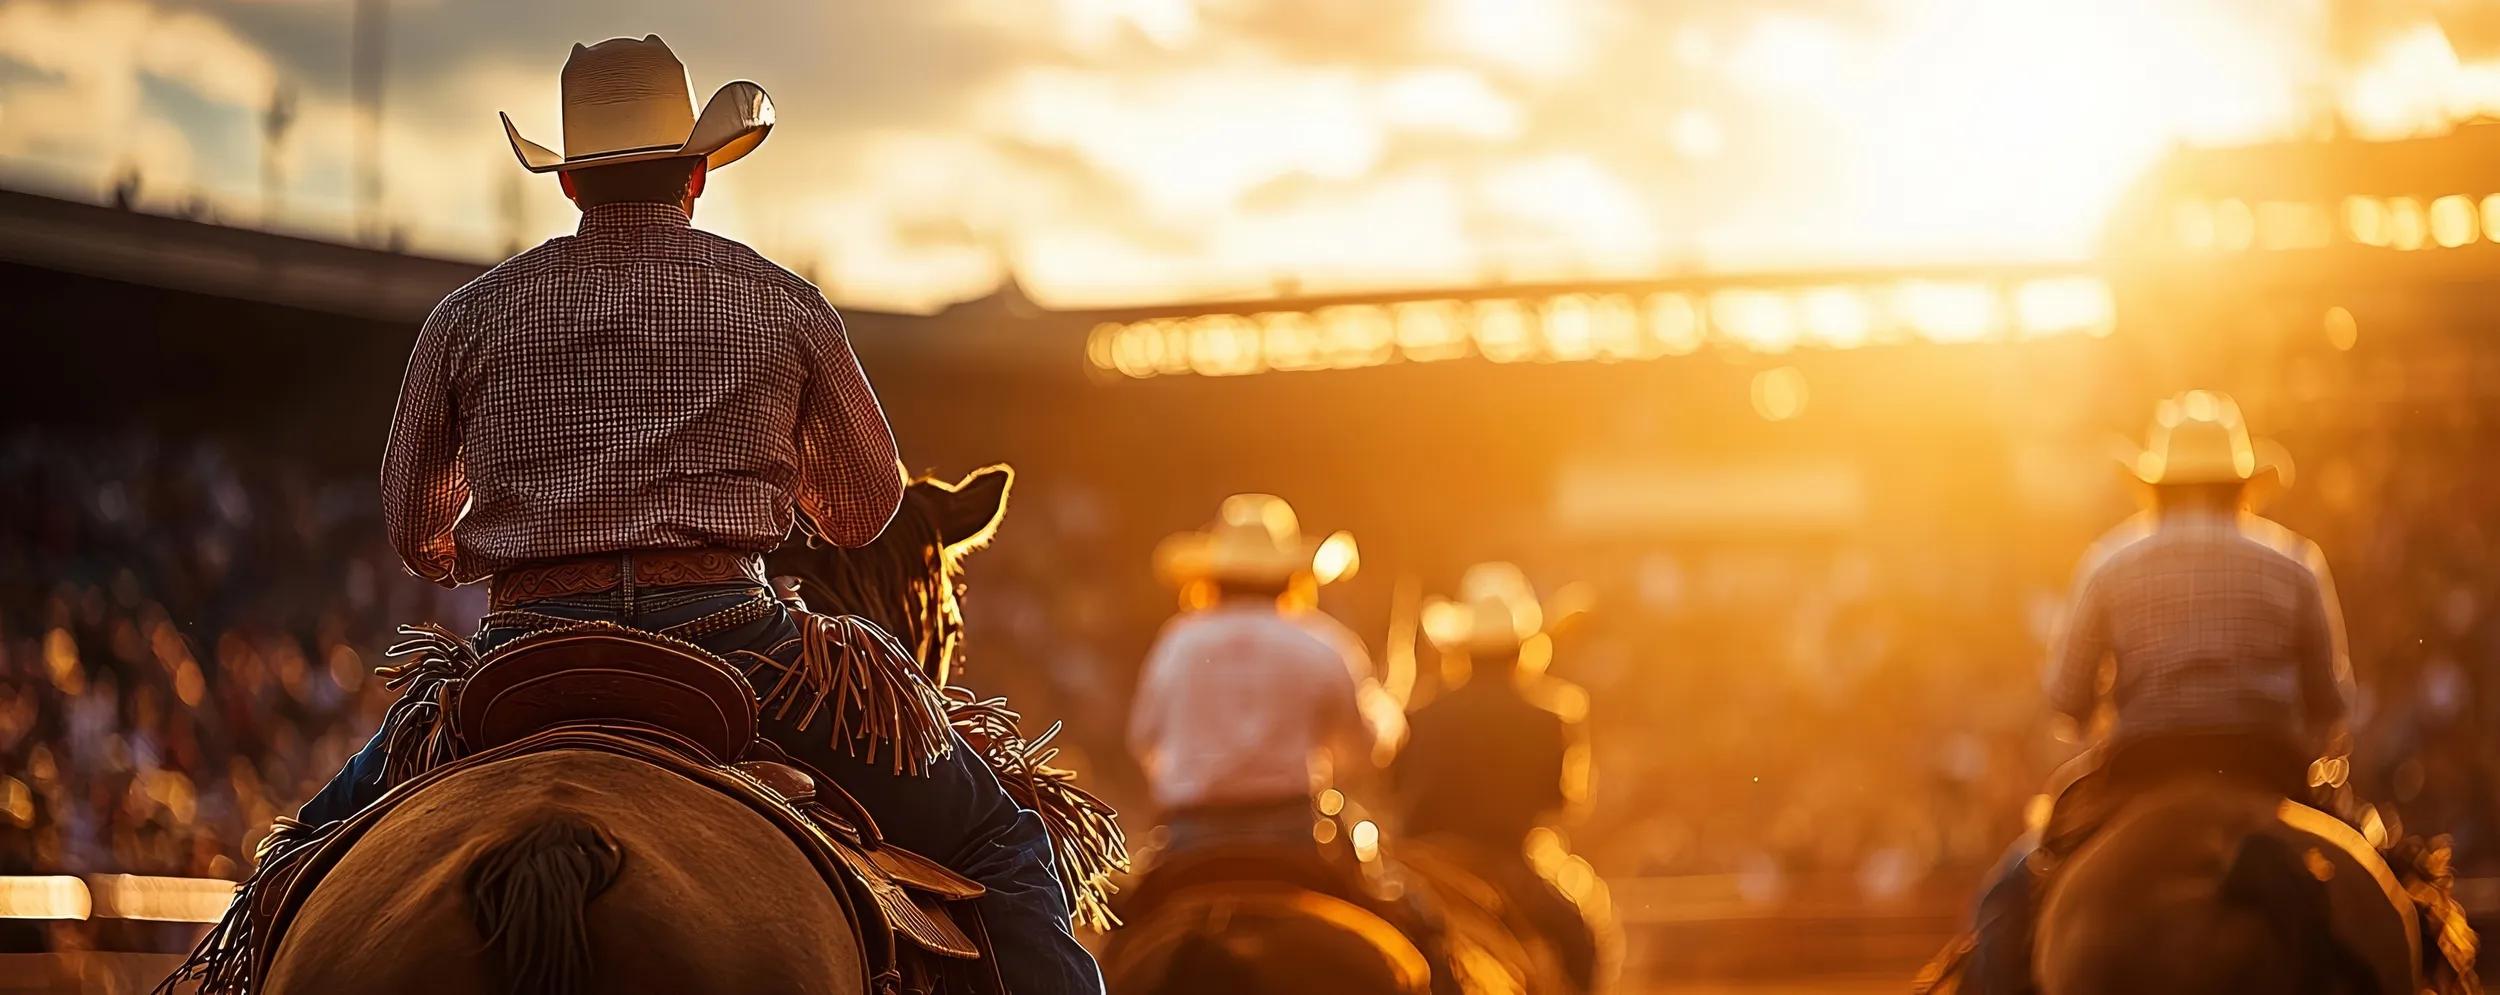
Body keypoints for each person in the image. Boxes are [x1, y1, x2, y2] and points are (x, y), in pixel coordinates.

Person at [297, 36, 1100, 992]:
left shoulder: (469, 314)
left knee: (298, 859)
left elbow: (416, 535)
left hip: (522, 651)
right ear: (695, 175)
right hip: (738, 644)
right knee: (999, 837)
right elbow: (866, 511)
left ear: (570, 187)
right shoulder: (781, 302)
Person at [1957, 390, 2352, 995]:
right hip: (2268, 770)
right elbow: (2330, 706)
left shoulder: (2111, 563)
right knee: (2403, 897)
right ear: (2243, 486)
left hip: (2141, 768)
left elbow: (2066, 699)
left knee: (2005, 899)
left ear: (2155, 487)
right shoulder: (2296, 562)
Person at [1127, 494, 1399, 852]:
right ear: (1294, 579)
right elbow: (1363, 747)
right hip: (1293, 833)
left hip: (1190, 835)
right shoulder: (1321, 642)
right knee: (1389, 902)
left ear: (1210, 578)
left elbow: (1143, 738)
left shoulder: (1177, 643)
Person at [1394, 562, 1610, 994]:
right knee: (1580, 939)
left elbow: (1395, 789)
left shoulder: (1420, 713)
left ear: (1461, 649)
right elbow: (1564, 802)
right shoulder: (1553, 713)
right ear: (1521, 649)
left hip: (1419, 865)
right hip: (1509, 863)